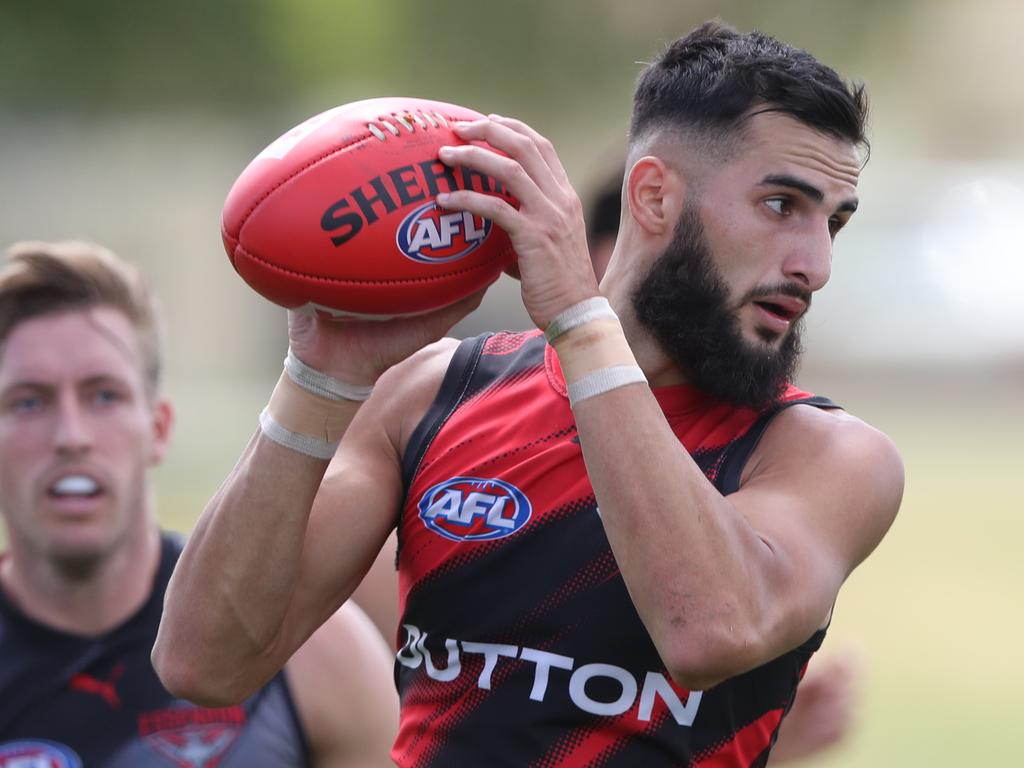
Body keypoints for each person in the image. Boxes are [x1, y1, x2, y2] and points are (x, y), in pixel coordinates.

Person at [155, 20, 904, 766]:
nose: (815, 264)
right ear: (652, 198)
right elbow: (203, 665)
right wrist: (318, 378)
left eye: (832, 222)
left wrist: (581, 325)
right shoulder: (430, 395)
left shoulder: (825, 456)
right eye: (782, 206)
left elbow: (709, 628)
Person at [0, 241, 398, 767]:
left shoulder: (311, 651)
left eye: (103, 396)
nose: (71, 436)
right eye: (29, 401)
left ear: (158, 429)